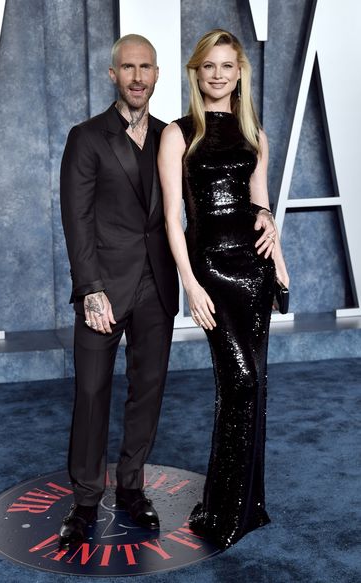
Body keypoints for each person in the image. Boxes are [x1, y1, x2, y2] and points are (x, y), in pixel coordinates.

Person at [158, 29, 289, 549]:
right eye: (209, 66)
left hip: (254, 270)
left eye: (227, 66)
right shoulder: (178, 132)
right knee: (237, 381)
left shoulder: (255, 132)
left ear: (239, 74)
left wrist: (278, 254)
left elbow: (260, 206)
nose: (218, 74)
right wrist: (189, 282)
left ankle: (244, 505)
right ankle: (222, 510)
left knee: (254, 383)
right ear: (197, 71)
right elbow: (172, 219)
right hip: (210, 267)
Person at [59, 34, 179, 547]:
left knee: (147, 390)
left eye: (145, 67)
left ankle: (132, 487)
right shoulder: (86, 137)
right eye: (127, 67)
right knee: (91, 392)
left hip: (157, 283)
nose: (136, 77)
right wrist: (90, 288)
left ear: (156, 74)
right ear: (113, 74)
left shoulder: (172, 136)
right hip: (103, 288)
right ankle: (86, 499)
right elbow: (77, 220)